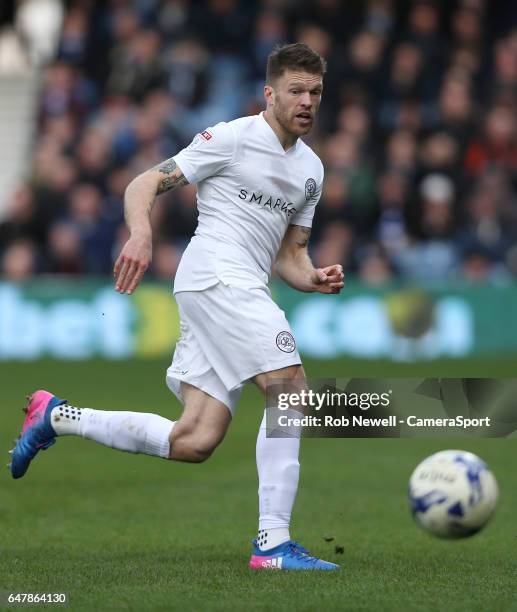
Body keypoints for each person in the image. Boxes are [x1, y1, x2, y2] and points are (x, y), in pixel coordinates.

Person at [9, 43, 344, 571]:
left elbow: (291, 256)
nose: (306, 101)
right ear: (270, 93)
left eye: (315, 92)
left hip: (243, 285)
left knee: (196, 438)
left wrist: (314, 277)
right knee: (290, 390)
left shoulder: (311, 171)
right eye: (296, 90)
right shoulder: (231, 138)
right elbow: (144, 183)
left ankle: (57, 416)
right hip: (216, 276)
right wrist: (140, 235)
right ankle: (273, 545)